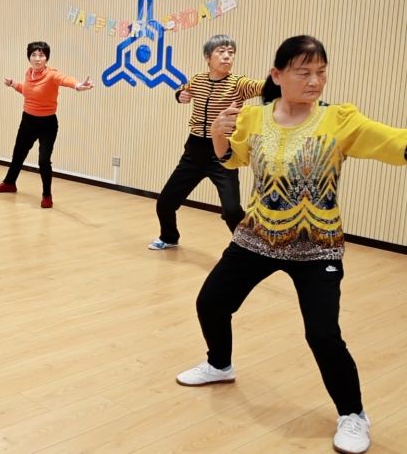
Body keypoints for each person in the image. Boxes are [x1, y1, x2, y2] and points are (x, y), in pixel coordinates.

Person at [175, 36, 407, 454]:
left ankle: (353, 414)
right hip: (257, 237)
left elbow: (396, 143)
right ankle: (219, 364)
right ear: (278, 75)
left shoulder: (340, 120)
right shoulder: (254, 117)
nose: (315, 81)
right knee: (211, 303)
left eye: (321, 72)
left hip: (317, 247)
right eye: (304, 72)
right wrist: (219, 136)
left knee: (322, 334)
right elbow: (233, 160)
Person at [147, 34, 264, 250]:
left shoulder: (239, 83)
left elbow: (263, 87)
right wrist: (180, 95)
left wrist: (283, 78)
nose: (227, 56)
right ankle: (169, 237)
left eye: (231, 53)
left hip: (222, 153)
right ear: (208, 57)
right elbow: (184, 89)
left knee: (232, 211)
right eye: (221, 52)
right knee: (165, 202)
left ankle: (248, 248)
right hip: (194, 151)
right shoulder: (198, 79)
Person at [0, 41, 94, 208]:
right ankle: (9, 183)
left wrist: (77, 85)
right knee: (18, 154)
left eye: (41, 55)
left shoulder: (52, 75)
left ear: (46, 58)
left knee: (44, 160)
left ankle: (47, 195)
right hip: (28, 121)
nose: (37, 59)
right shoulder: (29, 73)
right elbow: (28, 92)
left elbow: (64, 79)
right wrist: (14, 84)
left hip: (47, 124)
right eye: (34, 55)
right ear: (29, 57)